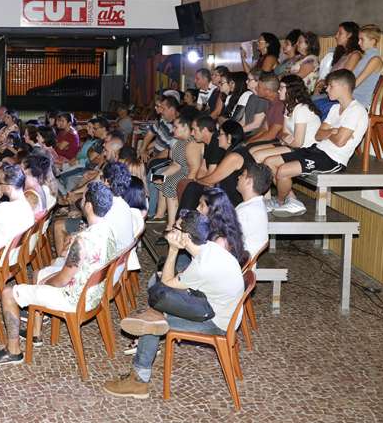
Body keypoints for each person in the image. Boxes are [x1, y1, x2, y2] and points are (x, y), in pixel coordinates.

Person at [103, 210, 244, 398]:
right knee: (157, 289)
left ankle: (139, 380)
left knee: (152, 323)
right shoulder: (210, 248)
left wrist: (173, 249)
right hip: (216, 306)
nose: (171, 230)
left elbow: (167, 282)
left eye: (175, 227)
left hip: (216, 322)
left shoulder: (203, 266)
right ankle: (152, 324)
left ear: (185, 236)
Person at [0, 182, 116, 364]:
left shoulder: (83, 242)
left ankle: (13, 350)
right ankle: (35, 333)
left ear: (89, 206)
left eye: (84, 197)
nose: (81, 199)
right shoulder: (110, 230)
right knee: (39, 273)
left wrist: (41, 284)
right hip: (94, 292)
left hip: (73, 298)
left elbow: (62, 279)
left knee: (8, 292)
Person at [268, 69, 369, 216]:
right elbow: (318, 135)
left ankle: (282, 202)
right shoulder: (335, 108)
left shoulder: (357, 111)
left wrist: (330, 132)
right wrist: (332, 131)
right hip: (317, 149)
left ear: (343, 87)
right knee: (270, 161)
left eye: (330, 86)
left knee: (283, 171)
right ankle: (292, 201)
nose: (326, 89)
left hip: (332, 159)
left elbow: (340, 141)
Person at [249, 74, 322, 165]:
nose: (279, 91)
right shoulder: (288, 106)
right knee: (252, 150)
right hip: (291, 145)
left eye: (282, 87)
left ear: (291, 90)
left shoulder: (301, 109)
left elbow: (298, 143)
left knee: (258, 155)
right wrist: (286, 138)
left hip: (306, 149)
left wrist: (285, 139)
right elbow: (284, 132)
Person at [179, 120, 249, 210]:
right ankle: (183, 221)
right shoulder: (233, 152)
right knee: (193, 187)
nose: (218, 137)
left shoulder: (235, 156)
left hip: (236, 199)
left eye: (221, 134)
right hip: (228, 193)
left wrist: (196, 180)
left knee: (193, 187)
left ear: (229, 137)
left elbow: (212, 180)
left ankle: (183, 221)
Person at [153, 113, 202, 229]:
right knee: (159, 178)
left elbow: (194, 168)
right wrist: (161, 175)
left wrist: (186, 185)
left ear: (185, 128)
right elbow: (176, 164)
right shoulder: (179, 142)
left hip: (189, 174)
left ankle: (171, 225)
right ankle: (159, 215)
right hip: (181, 171)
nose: (172, 129)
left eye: (175, 127)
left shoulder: (192, 143)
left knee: (169, 184)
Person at [0, 164, 35, 263]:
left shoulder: (4, 208)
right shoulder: (28, 207)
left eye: (0, 182)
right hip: (14, 254)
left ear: (8, 187)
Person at [197, 187, 249, 267]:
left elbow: (211, 269)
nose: (197, 208)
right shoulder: (229, 226)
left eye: (202, 205)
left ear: (213, 209)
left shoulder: (221, 241)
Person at [234, 162, 272, 258]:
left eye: (242, 175)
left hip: (236, 264)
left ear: (249, 182)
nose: (238, 177)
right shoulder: (256, 205)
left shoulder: (246, 211)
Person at [245, 72, 285, 146]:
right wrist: (249, 141)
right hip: (271, 140)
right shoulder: (270, 102)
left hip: (278, 142)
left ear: (268, 91)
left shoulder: (280, 106)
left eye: (259, 87)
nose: (256, 88)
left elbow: (271, 135)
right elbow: (264, 129)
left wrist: (249, 143)